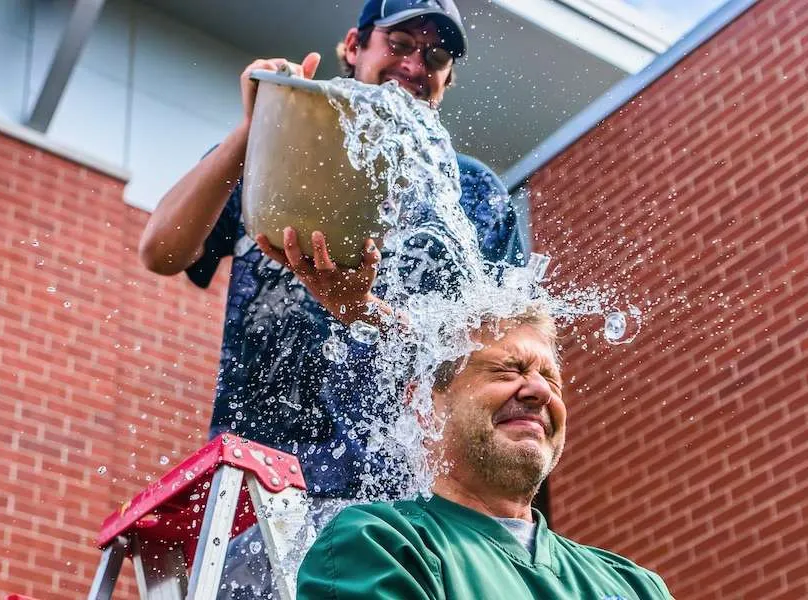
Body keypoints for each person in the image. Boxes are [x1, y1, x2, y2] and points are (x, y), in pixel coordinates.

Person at [137, 0, 526, 596]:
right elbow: (161, 251)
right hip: (266, 493)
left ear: (449, 79)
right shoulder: (288, 137)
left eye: (437, 54)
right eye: (400, 44)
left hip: (411, 504)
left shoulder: (473, 192)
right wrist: (255, 124)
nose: (417, 63)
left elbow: (500, 351)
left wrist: (366, 310)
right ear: (354, 46)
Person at [295, 306, 674, 599]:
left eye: (551, 379)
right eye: (508, 370)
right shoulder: (383, 546)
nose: (540, 392)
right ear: (426, 407)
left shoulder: (635, 585)